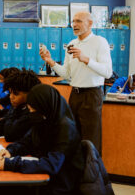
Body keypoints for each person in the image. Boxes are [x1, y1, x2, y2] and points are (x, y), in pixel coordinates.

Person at [0, 84, 84, 195]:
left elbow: (52, 165)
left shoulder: (66, 128)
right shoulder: (44, 120)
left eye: (33, 110)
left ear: (44, 107)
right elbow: (27, 142)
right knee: (2, 192)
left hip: (60, 185)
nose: (31, 113)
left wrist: (11, 164)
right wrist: (10, 151)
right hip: (44, 177)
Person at [39, 11, 112, 154]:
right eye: (73, 21)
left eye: (79, 21)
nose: (74, 25)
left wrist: (86, 59)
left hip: (91, 95)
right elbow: (67, 74)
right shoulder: (72, 44)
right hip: (75, 95)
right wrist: (50, 61)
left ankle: (92, 175)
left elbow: (107, 72)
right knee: (72, 137)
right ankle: (75, 174)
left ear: (90, 23)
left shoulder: (99, 42)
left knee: (91, 141)